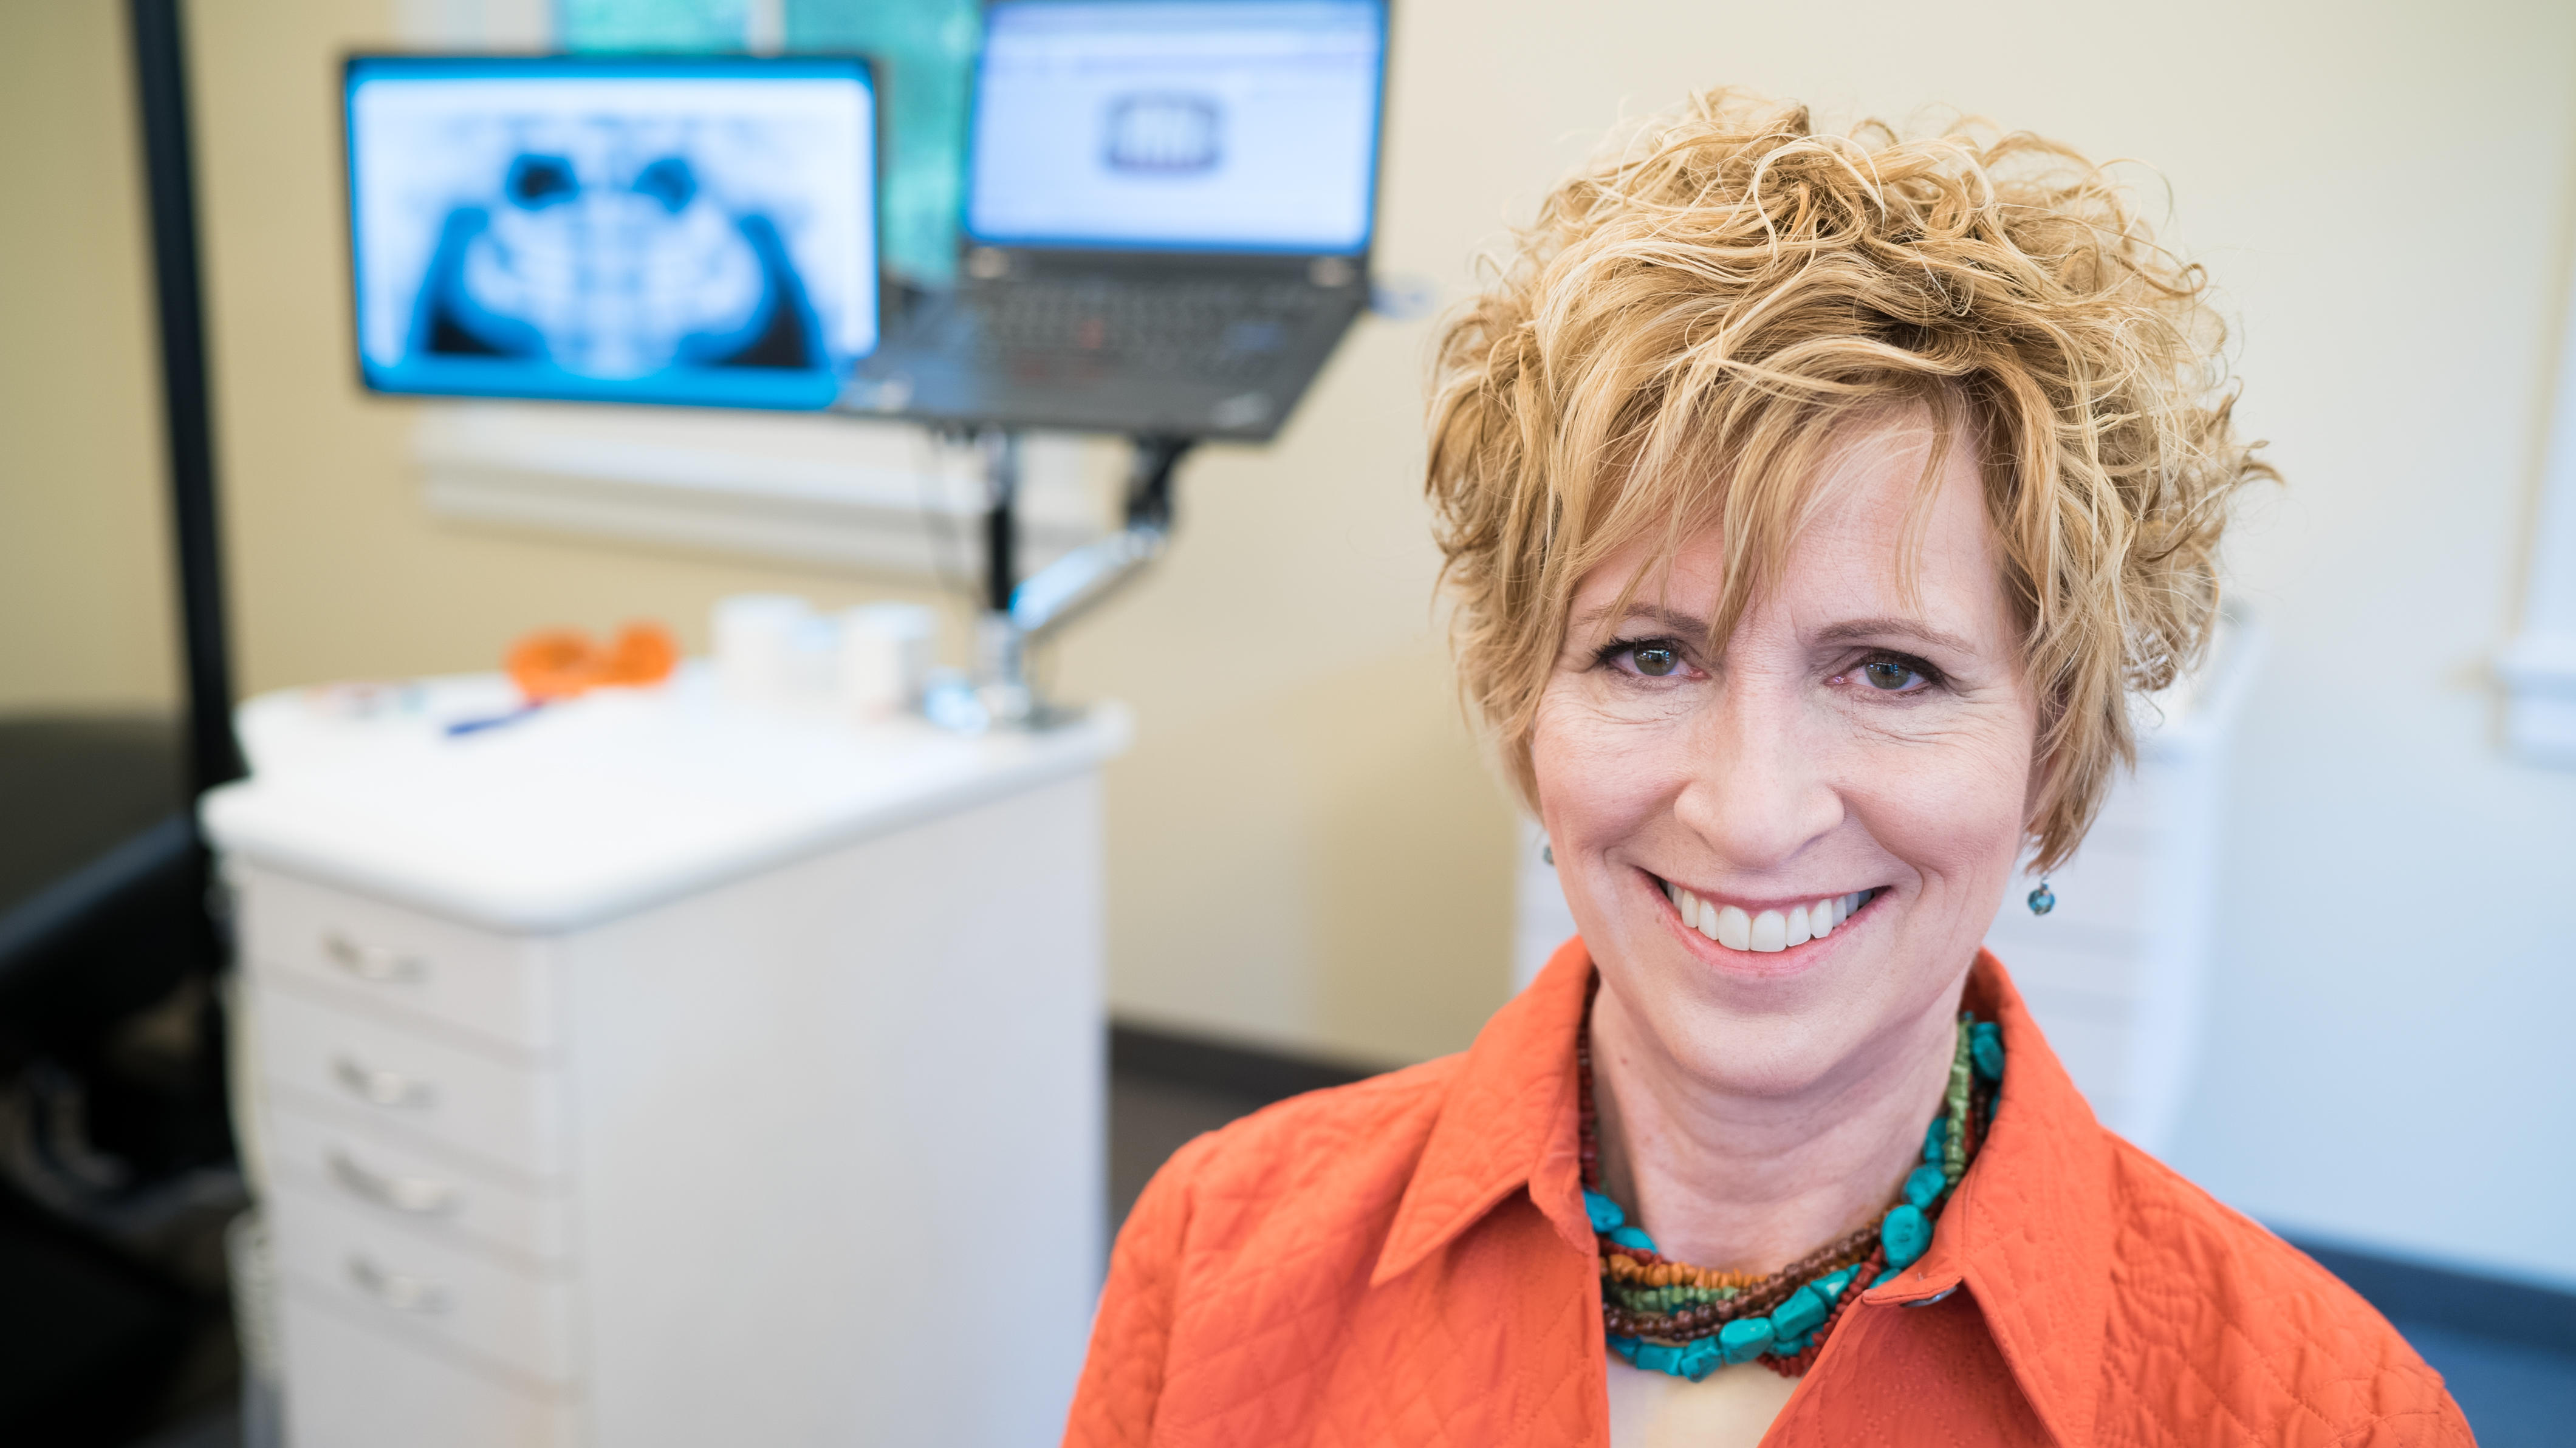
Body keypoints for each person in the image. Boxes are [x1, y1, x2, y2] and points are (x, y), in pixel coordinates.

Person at [1063, 92, 2473, 1447]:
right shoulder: (1216, 1246)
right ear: (1519, 704)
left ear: (2051, 755)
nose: (1747, 813)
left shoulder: (2334, 1413)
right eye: (1648, 657)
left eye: (1891, 671)